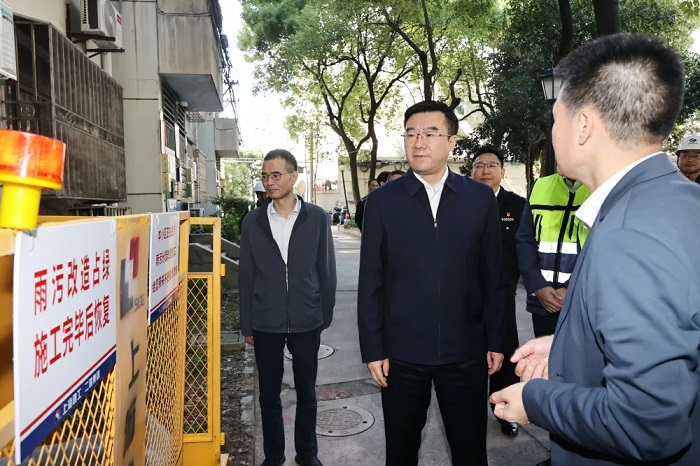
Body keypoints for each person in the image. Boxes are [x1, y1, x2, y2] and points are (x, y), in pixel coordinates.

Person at [490, 33, 700, 466]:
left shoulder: (629, 236)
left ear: (583, 125)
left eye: (555, 118)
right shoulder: (677, 200)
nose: (553, 133)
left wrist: (536, 399)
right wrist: (568, 348)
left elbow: (647, 423)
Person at [358, 100, 505, 466]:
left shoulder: (478, 198)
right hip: (401, 355)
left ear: (452, 141)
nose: (418, 142)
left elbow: (493, 275)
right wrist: (373, 348)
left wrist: (496, 338)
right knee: (401, 452)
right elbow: (371, 279)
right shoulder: (382, 202)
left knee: (470, 451)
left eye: (430, 133)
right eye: (411, 134)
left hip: (466, 352)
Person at [240, 149, 337, 466]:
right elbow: (246, 275)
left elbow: (326, 269)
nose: (269, 182)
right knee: (268, 395)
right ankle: (273, 456)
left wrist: (323, 313)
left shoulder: (316, 218)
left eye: (276, 175)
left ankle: (307, 453)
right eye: (265, 176)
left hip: (307, 319)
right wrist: (246, 323)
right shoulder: (253, 221)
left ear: (294, 176)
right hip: (265, 321)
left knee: (307, 392)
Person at [471, 145, 525, 438]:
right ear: (471, 172)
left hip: (502, 295)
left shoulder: (517, 205)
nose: (485, 171)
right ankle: (469, 410)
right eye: (479, 165)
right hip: (467, 294)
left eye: (492, 165)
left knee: (504, 352)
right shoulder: (461, 203)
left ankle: (504, 411)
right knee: (470, 354)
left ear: (502, 172)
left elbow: (525, 248)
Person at [516, 173, 590, 338]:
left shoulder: (602, 188)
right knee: (546, 353)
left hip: (583, 301)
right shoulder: (541, 186)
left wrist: (572, 288)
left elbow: (604, 249)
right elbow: (525, 240)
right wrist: (537, 286)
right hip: (543, 302)